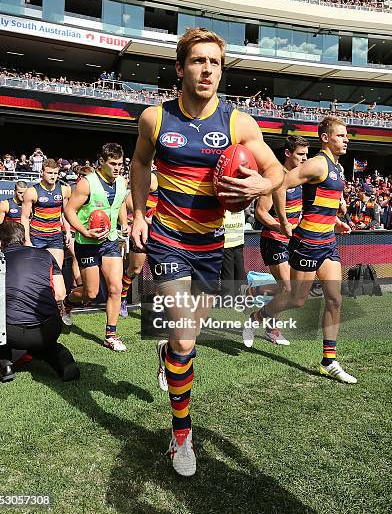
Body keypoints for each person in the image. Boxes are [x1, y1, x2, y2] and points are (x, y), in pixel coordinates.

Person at [130, 27, 283, 476]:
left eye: (214, 63)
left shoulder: (238, 123)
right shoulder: (154, 119)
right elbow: (140, 162)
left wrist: (262, 185)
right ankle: (182, 436)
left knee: (184, 344)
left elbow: (274, 167)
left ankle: (168, 359)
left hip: (212, 246)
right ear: (180, 68)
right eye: (198, 61)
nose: (207, 70)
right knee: (183, 337)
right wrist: (140, 213)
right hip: (169, 240)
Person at [248, 116, 356, 384]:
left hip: (328, 243)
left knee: (335, 299)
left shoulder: (337, 168)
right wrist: (284, 221)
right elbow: (281, 184)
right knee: (297, 299)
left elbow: (320, 202)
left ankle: (328, 360)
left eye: (346, 135)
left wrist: (337, 221)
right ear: (325, 138)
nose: (346, 139)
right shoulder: (317, 164)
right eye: (341, 135)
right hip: (306, 243)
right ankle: (256, 317)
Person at [244, 136, 309, 346]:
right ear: (288, 153)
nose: (304, 158)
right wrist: (280, 227)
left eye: (306, 154)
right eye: (300, 154)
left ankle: (256, 291)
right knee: (288, 290)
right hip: (273, 239)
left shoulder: (301, 176)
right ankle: (271, 329)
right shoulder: (276, 177)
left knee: (289, 290)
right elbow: (261, 212)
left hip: (293, 240)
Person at [0, 221, 79, 383]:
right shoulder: (46, 255)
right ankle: (56, 353)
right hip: (49, 329)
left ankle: (4, 362)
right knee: (42, 342)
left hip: (11, 332)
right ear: (23, 237)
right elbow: (60, 294)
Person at [64, 143, 128, 351]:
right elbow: (69, 211)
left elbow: (119, 205)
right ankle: (67, 303)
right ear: (102, 162)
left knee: (116, 288)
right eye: (113, 163)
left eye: (120, 163)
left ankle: (111, 334)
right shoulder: (86, 184)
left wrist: (125, 223)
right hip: (87, 243)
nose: (118, 167)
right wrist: (84, 231)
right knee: (90, 294)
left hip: (109, 242)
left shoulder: (122, 182)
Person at [21, 159, 71, 303]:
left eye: (55, 173)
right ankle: (36, 304)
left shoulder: (64, 189)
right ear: (42, 172)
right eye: (49, 173)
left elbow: (65, 214)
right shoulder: (32, 191)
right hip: (36, 236)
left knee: (56, 272)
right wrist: (27, 240)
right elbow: (24, 217)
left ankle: (57, 306)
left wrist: (67, 231)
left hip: (55, 236)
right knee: (36, 273)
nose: (53, 176)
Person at [120, 168, 158, 316]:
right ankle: (122, 298)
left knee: (162, 271)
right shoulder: (154, 179)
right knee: (135, 269)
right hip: (144, 231)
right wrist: (141, 218)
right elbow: (128, 199)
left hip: (163, 233)